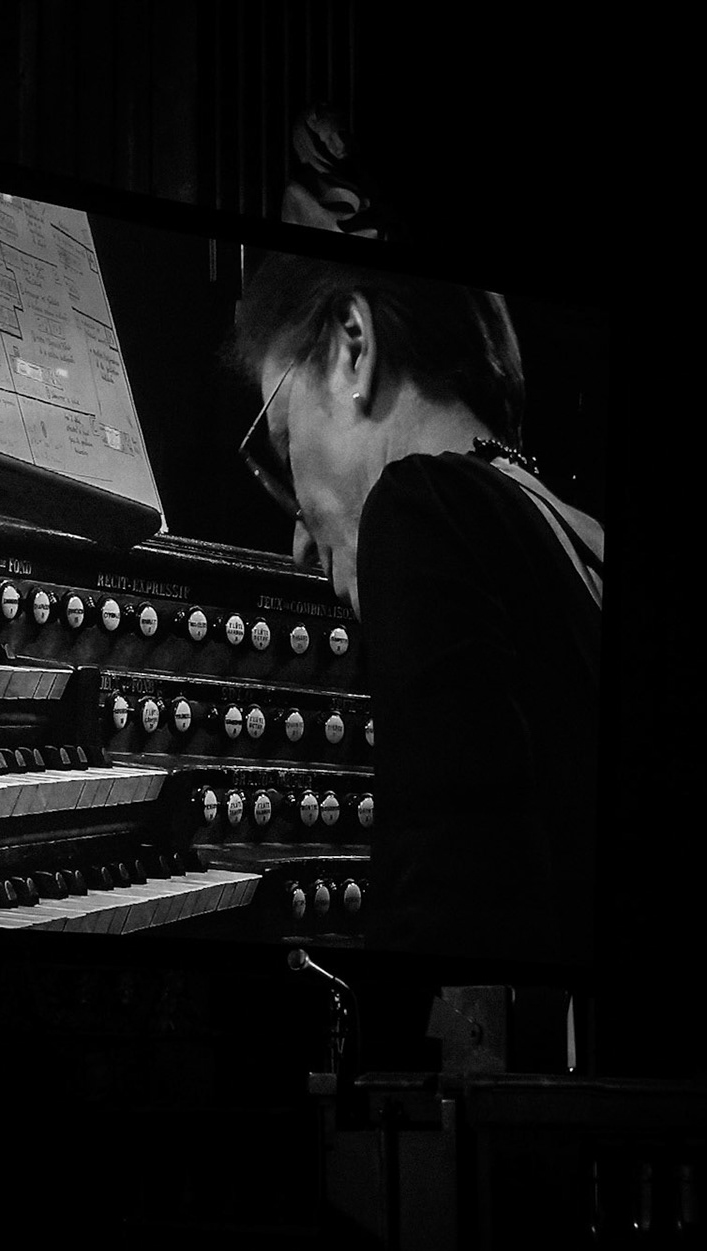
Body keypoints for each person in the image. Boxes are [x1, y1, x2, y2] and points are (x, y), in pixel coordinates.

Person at [231, 252, 603, 972]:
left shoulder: (422, 507)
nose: (299, 538)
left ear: (352, 346)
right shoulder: (574, 529)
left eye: (283, 443)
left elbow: (448, 923)